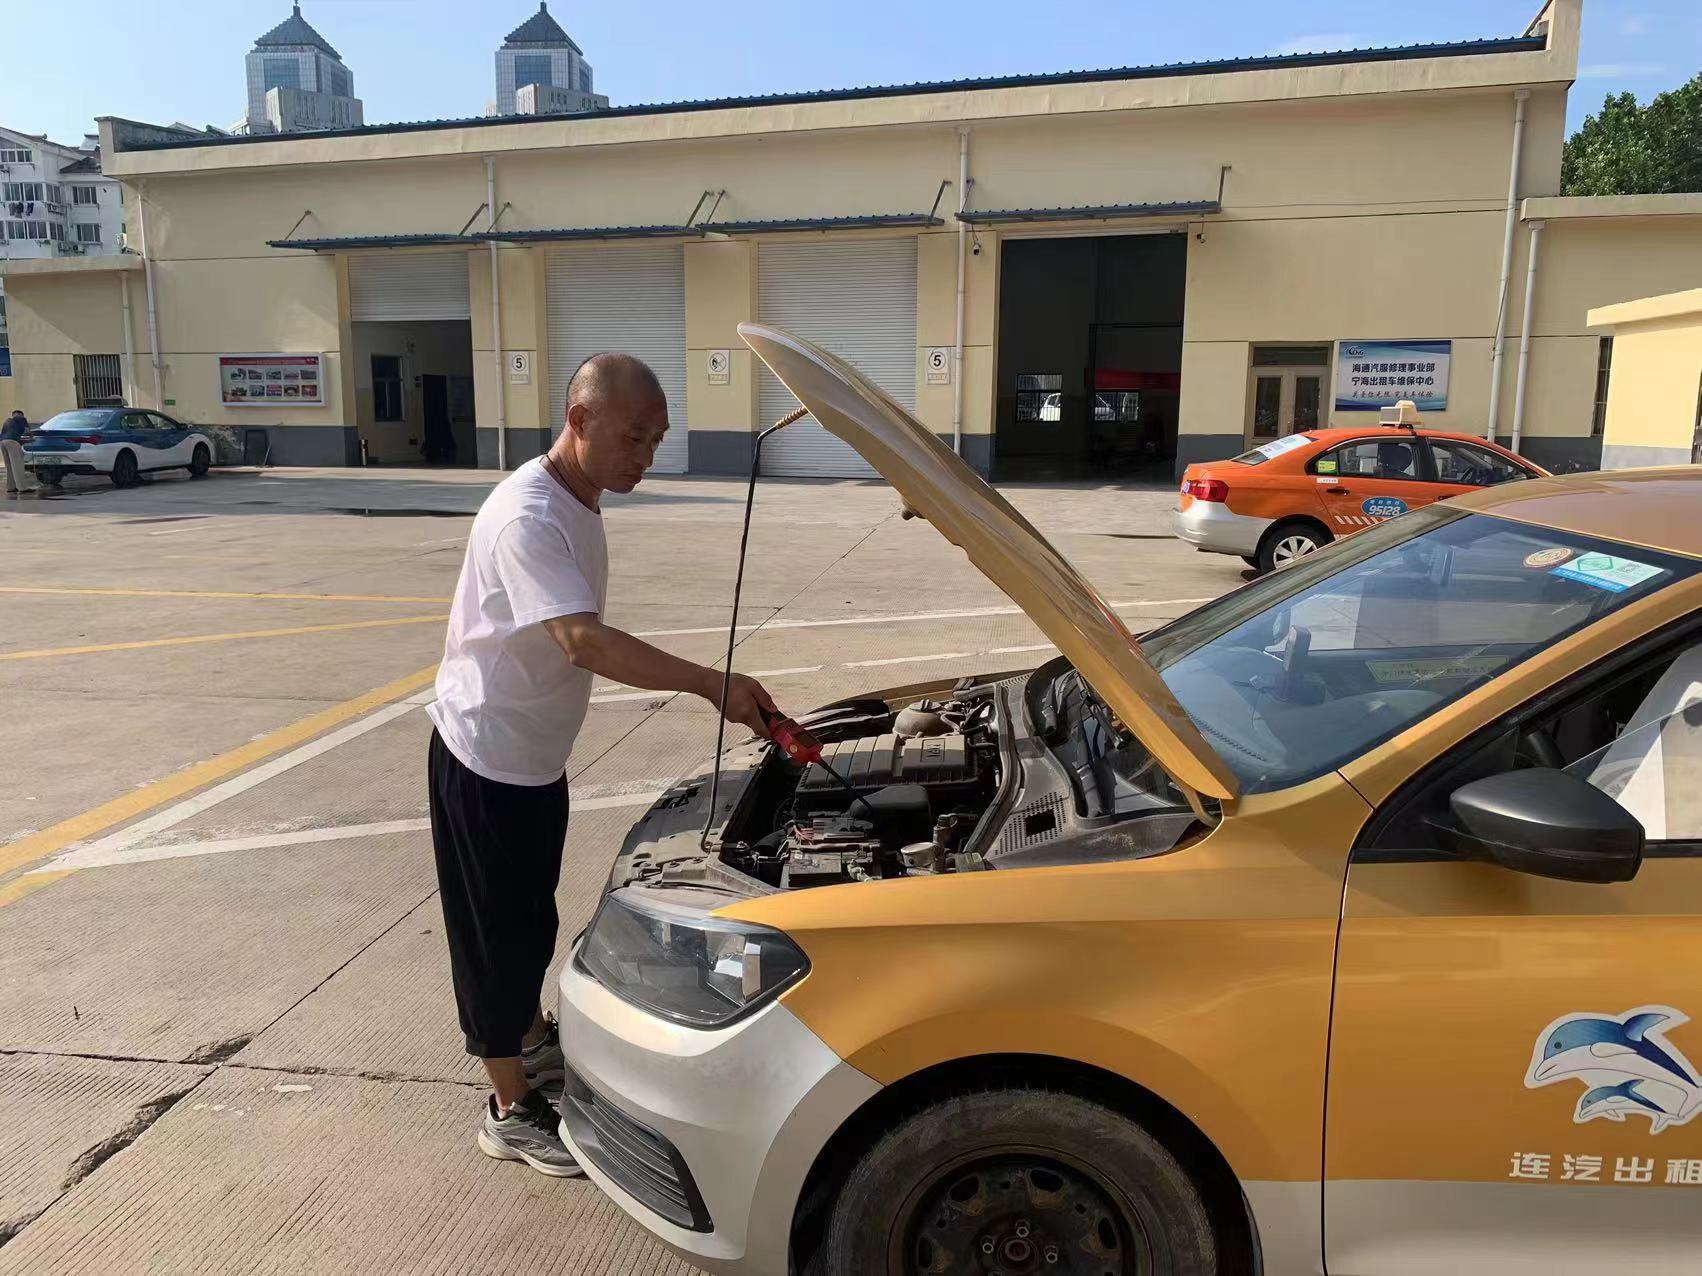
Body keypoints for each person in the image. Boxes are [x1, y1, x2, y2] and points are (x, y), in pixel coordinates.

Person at [427, 352, 777, 1178]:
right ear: (579, 420)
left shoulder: (578, 499)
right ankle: (509, 1110)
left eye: (656, 440)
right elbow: (580, 639)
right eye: (632, 436)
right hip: (485, 758)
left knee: (530, 923)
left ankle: (528, 1039)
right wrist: (710, 682)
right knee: (494, 942)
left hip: (535, 757)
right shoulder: (527, 517)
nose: (645, 456)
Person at [1, 410, 33, 494]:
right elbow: (27, 431)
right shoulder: (21, 418)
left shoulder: (7, 421)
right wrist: (31, 437)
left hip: (2, 442)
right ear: (20, 414)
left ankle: (11, 487)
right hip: (12, 442)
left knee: (9, 466)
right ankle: (22, 488)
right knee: (17, 465)